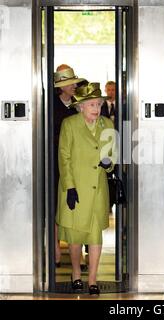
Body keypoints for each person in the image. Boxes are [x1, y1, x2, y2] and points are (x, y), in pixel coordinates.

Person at [56, 82, 116, 296]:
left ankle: (92, 279)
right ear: (80, 106)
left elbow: (112, 157)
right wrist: (70, 187)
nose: (96, 108)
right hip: (75, 188)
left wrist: (109, 162)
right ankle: (75, 273)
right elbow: (64, 158)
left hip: (98, 188)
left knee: (94, 236)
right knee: (74, 236)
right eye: (91, 104)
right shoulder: (69, 124)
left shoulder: (107, 124)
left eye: (98, 104)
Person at [53, 64, 85, 268]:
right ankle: (55, 248)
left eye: (73, 82)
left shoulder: (80, 105)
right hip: (55, 162)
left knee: (78, 208)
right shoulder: (49, 106)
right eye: (69, 83)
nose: (74, 85)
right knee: (55, 204)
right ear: (61, 87)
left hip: (78, 163)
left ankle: (79, 252)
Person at [100, 81, 117, 212]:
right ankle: (108, 203)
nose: (111, 92)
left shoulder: (124, 106)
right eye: (109, 90)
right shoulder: (100, 107)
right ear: (105, 90)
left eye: (113, 90)